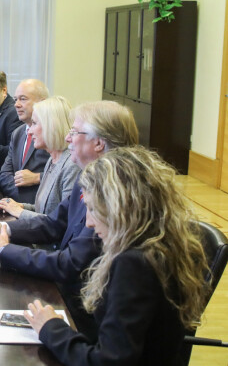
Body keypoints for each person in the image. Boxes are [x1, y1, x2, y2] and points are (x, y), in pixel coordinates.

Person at [0, 100, 138, 336]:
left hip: (88, 315)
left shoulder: (113, 193)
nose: (67, 139)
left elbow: (70, 264)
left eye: (74, 132)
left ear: (98, 143)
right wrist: (3, 228)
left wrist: (3, 250)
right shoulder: (91, 175)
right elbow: (54, 223)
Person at [24, 146, 209, 365]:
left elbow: (108, 361)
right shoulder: (164, 242)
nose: (90, 222)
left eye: (93, 209)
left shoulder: (133, 264)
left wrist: (50, 328)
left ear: (119, 207)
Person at [0, 96, 80, 220]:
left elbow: (61, 221)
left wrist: (19, 212)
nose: (29, 131)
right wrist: (19, 206)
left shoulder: (71, 165)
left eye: (34, 123)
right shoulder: (52, 160)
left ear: (51, 126)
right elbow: (44, 209)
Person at [0, 79, 50, 202]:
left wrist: (38, 177)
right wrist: (19, 197)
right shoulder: (18, 133)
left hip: (42, 206)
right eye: (15, 99)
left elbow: (64, 173)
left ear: (42, 103)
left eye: (23, 99)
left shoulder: (53, 134)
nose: (16, 104)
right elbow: (4, 174)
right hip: (15, 204)